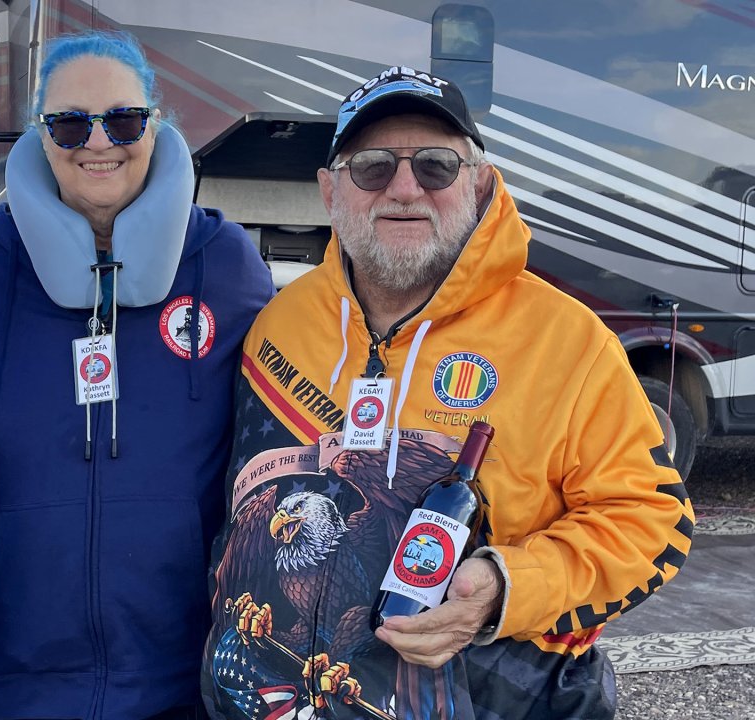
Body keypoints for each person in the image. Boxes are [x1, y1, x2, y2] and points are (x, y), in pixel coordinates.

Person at [201, 68, 694, 719]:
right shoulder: (279, 325)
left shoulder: (569, 342)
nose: (405, 188)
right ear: (329, 190)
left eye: (436, 166)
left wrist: (505, 587)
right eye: (372, 167)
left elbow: (650, 519)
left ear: (480, 184)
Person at [0, 31, 274, 719]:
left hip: (184, 681)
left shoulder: (226, 264)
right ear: (41, 135)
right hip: (12, 681)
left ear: (156, 126)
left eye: (123, 119)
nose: (98, 142)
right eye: (69, 123)